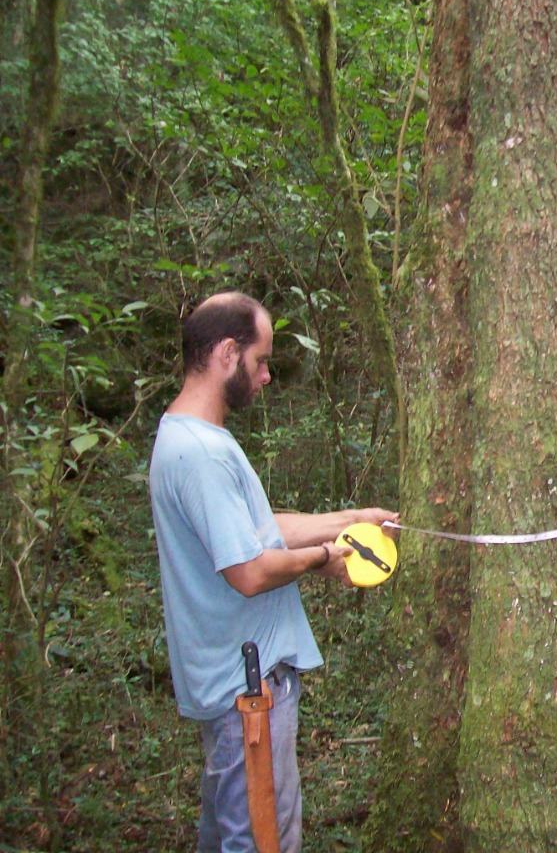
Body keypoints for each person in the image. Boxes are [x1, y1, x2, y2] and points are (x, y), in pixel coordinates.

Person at [149, 291, 398, 853]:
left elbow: (259, 531)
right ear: (226, 354)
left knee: (233, 837)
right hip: (249, 694)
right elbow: (250, 570)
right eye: (260, 361)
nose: (264, 377)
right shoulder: (202, 455)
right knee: (262, 842)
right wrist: (324, 559)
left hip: (236, 688)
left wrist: (355, 519)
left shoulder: (189, 438)